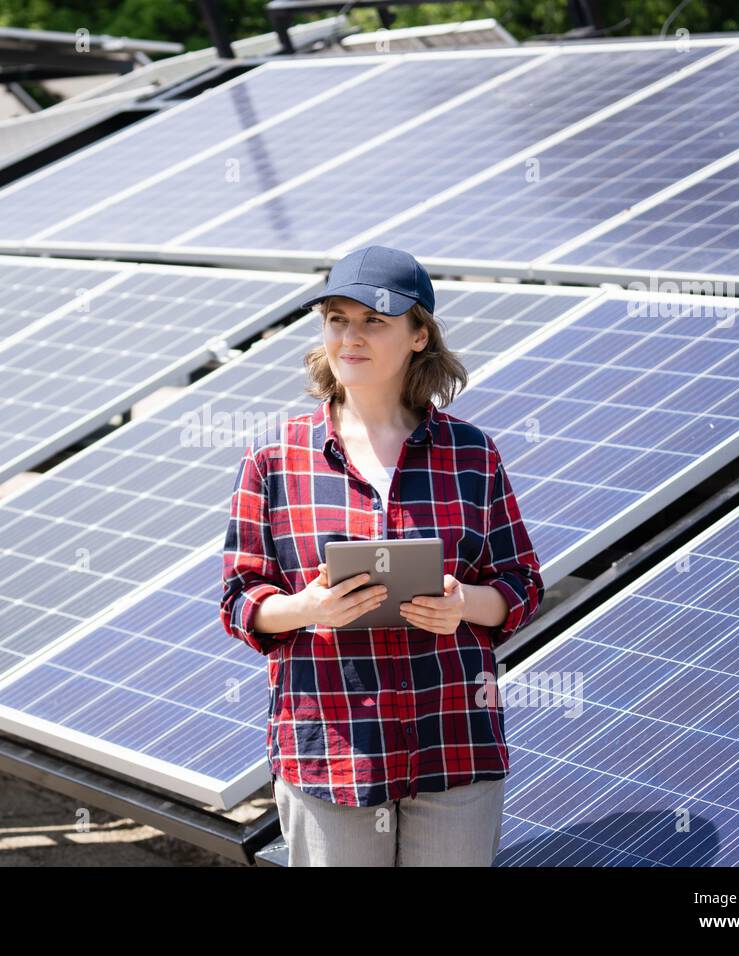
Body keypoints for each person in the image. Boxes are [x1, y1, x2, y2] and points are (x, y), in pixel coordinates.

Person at [219, 244, 544, 866]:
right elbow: (239, 601)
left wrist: (466, 604)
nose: (351, 337)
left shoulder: (472, 456)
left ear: (419, 335)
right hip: (331, 747)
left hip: (451, 739)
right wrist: (306, 606)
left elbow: (522, 581)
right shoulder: (274, 460)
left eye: (374, 321)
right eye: (337, 319)